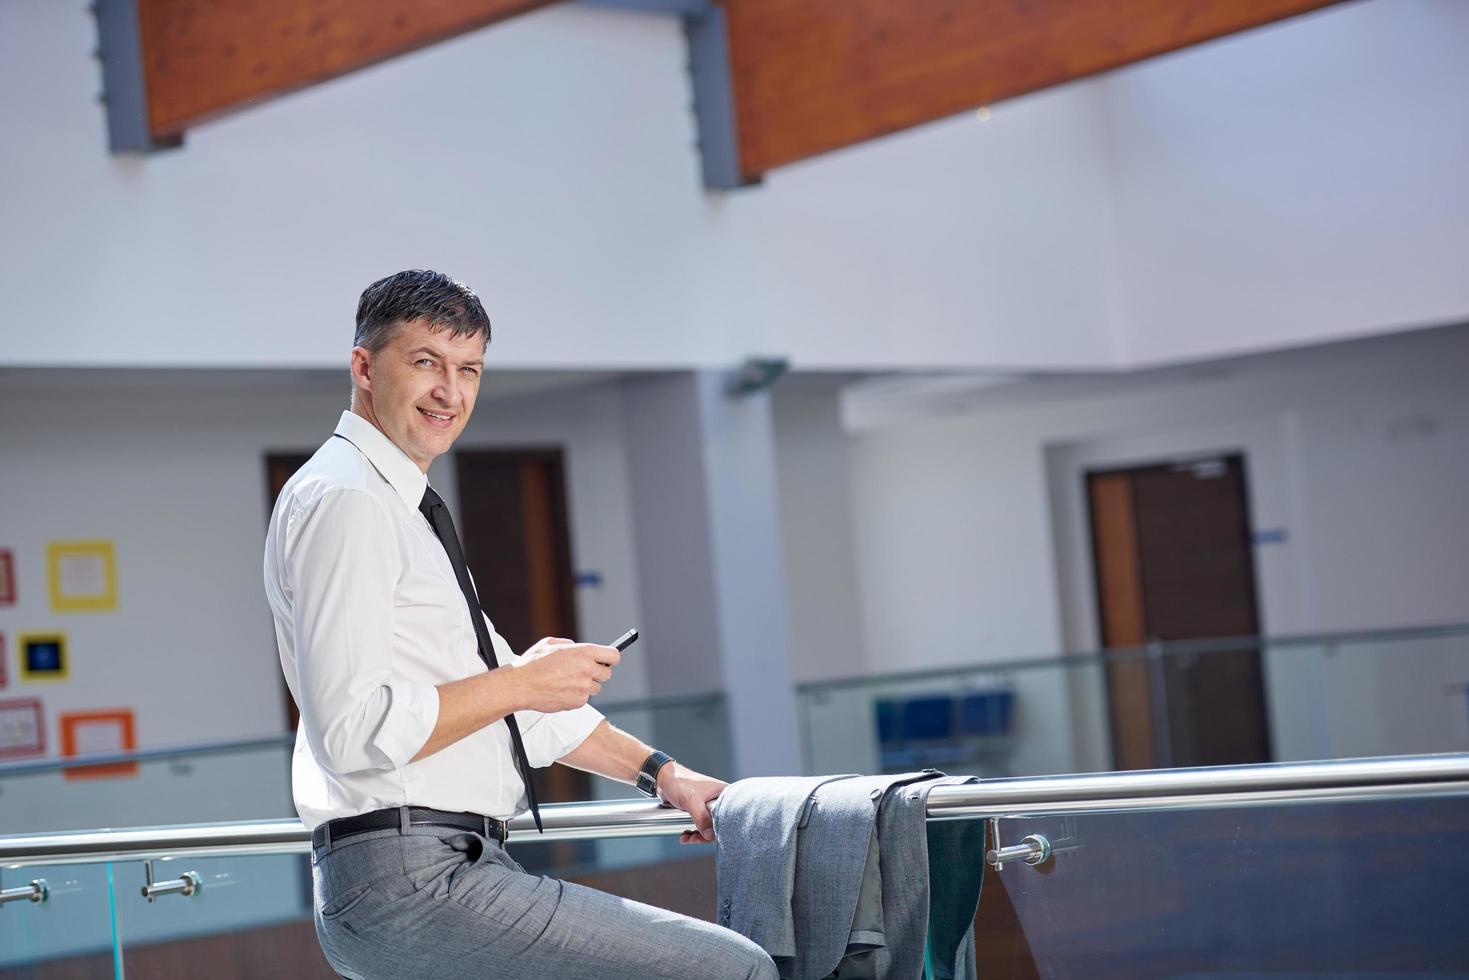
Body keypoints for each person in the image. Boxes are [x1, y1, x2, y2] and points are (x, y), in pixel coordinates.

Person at [263, 270, 777, 980]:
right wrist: (517, 683)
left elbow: (516, 707)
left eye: (467, 369)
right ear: (362, 366)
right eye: (425, 363)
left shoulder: (394, 503)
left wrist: (663, 773)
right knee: (731, 970)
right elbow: (352, 731)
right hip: (412, 882)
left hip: (442, 871)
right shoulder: (349, 500)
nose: (451, 391)